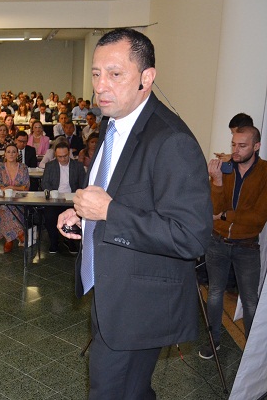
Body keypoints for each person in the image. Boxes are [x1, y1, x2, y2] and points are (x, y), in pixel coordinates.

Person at [56, 28, 212, 399]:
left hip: (138, 304)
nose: (100, 85)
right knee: (133, 391)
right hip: (111, 290)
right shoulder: (114, 125)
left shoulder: (171, 140)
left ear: (147, 78)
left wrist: (109, 212)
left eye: (114, 74)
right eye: (96, 74)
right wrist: (83, 213)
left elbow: (191, 235)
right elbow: (117, 193)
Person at [200, 125, 267, 359]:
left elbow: (258, 217)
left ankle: (252, 352)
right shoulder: (225, 170)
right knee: (215, 293)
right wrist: (217, 181)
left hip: (247, 245)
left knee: (250, 300)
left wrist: (227, 215)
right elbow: (214, 209)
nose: (235, 151)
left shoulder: (266, 172)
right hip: (217, 241)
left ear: (256, 146)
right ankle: (213, 340)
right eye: (233, 144)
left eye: (242, 145)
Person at [41, 142, 85, 253]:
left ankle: (70, 241)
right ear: (56, 155)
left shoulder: (78, 165)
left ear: (69, 153)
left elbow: (83, 184)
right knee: (49, 216)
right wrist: (53, 193)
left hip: (72, 200)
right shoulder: (50, 166)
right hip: (55, 199)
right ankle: (54, 241)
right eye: (59, 156)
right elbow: (45, 183)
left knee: (73, 218)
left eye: (65, 156)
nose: (63, 159)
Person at [0, 144, 30, 253]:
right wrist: (7, 190)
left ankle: (9, 240)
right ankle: (20, 234)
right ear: (4, 154)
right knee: (4, 208)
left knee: (7, 209)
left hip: (20, 200)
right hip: (3, 199)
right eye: (8, 151)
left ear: (17, 154)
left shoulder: (23, 167)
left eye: (14, 152)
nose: (11, 154)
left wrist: (11, 187)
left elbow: (26, 186)